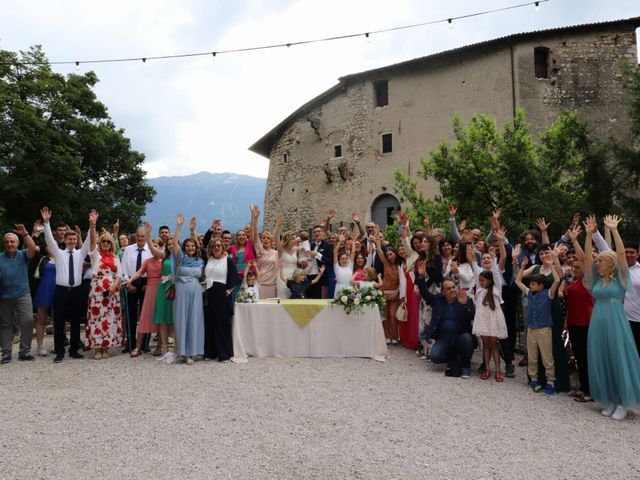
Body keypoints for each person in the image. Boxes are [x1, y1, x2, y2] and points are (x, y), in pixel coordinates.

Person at [583, 214, 640, 420]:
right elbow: (587, 257)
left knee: (618, 359)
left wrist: (614, 230)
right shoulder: (596, 280)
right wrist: (589, 236)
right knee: (601, 358)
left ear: (610, 263)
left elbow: (622, 255)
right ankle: (609, 400)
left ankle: (624, 402)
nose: (597, 262)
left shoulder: (621, 279)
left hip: (616, 322)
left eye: (600, 260)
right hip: (598, 321)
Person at [41, 206, 91, 363]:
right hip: (61, 291)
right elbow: (49, 239)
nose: (72, 241)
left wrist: (92, 225)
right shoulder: (59, 253)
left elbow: (89, 241)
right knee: (59, 321)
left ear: (76, 241)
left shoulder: (80, 253)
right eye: (69, 239)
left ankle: (74, 349)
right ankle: (59, 351)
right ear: (65, 241)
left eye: (74, 239)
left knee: (76, 321)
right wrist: (46, 222)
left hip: (76, 291)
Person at [415, 263, 476, 379]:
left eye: (453, 287)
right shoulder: (437, 300)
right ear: (443, 292)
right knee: (435, 357)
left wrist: (464, 306)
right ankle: (454, 358)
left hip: (460, 337)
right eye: (449, 288)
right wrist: (421, 277)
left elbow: (472, 317)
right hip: (444, 339)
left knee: (467, 339)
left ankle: (465, 365)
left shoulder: (465, 299)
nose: (453, 290)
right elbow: (424, 293)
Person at [515, 254, 560, 395]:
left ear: (541, 285)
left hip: (544, 329)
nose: (530, 285)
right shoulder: (529, 293)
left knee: (547, 356)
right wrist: (522, 267)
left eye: (533, 284)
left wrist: (551, 265)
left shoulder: (548, 294)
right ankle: (533, 379)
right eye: (530, 283)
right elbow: (518, 281)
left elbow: (558, 280)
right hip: (531, 329)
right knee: (532, 356)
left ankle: (550, 381)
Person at [559, 225, 594, 402]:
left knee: (588, 357)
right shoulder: (572, 283)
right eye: (574, 267)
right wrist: (566, 321)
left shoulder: (588, 281)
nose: (575, 268)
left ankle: (590, 390)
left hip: (587, 323)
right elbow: (570, 304)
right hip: (573, 322)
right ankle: (583, 387)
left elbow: (585, 258)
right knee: (579, 356)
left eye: (578, 266)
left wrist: (575, 240)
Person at [84, 211, 123, 360]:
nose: (105, 243)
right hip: (98, 290)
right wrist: (92, 226)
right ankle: (97, 349)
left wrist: (114, 287)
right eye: (103, 242)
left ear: (111, 244)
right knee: (96, 317)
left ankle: (106, 347)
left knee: (109, 318)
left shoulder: (115, 257)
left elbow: (119, 274)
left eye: (108, 242)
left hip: (112, 291)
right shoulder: (96, 256)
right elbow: (92, 242)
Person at [171, 214, 205, 365]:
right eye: (188, 246)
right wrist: (179, 226)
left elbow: (203, 277)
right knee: (182, 319)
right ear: (184, 248)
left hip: (196, 291)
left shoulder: (200, 261)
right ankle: (183, 352)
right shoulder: (180, 258)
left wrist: (193, 231)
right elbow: (174, 243)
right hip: (182, 290)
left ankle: (193, 351)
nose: (190, 248)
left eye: (193, 246)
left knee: (195, 319)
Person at [0, 224, 37, 363]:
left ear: (17, 243)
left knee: (28, 321)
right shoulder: (0, 258)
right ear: (4, 244)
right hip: (4, 296)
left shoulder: (23, 255)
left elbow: (33, 249)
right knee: (5, 325)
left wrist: (25, 234)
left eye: (12, 241)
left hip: (23, 294)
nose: (9, 244)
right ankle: (6, 353)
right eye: (7, 242)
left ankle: (24, 351)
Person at [125, 228, 164, 358]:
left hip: (160, 290)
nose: (154, 250)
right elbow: (139, 272)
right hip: (149, 291)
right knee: (143, 317)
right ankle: (138, 347)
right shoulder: (147, 261)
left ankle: (159, 346)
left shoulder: (165, 261)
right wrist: (130, 280)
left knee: (160, 317)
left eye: (157, 247)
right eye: (153, 247)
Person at [203, 238, 240, 362]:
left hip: (221, 294)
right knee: (209, 323)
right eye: (214, 245)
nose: (216, 247)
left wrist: (229, 291)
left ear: (223, 247)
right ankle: (210, 352)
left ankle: (224, 354)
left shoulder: (227, 260)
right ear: (211, 248)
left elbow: (234, 277)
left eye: (219, 245)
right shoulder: (208, 260)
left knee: (222, 324)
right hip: (208, 293)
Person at [120, 227, 153, 353]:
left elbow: (154, 268)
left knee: (146, 315)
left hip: (146, 283)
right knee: (130, 315)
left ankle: (145, 344)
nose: (140, 238)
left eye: (143, 236)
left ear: (146, 237)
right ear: (136, 236)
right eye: (138, 236)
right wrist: (128, 284)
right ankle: (130, 343)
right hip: (130, 282)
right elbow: (123, 269)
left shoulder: (150, 250)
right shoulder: (128, 250)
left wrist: (149, 284)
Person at [473, 270, 508, 382]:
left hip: (493, 322)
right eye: (479, 280)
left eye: (483, 280)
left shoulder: (496, 291)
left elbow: (497, 275)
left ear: (490, 280)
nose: (481, 282)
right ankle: (487, 369)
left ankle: (498, 370)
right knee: (485, 345)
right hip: (483, 321)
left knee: (494, 345)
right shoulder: (479, 292)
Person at [31, 228, 56, 357]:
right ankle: (40, 346)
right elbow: (32, 247)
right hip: (44, 289)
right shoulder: (42, 258)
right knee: (41, 319)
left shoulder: (61, 258)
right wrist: (35, 234)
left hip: (58, 290)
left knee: (57, 319)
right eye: (49, 245)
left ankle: (58, 344)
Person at [250, 205, 278, 299]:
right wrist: (255, 218)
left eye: (268, 238)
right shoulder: (259, 250)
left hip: (272, 284)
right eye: (264, 238)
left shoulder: (276, 253)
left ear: (271, 241)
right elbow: (254, 233)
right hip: (261, 283)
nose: (265, 240)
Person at [275, 213, 301, 299]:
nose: (295, 239)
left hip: (294, 277)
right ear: (288, 240)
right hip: (283, 276)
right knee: (283, 298)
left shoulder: (296, 249)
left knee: (294, 298)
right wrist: (279, 226)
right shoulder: (281, 250)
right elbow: (276, 239)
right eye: (293, 238)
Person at [623, 241, 640, 355]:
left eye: (632, 252)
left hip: (637, 319)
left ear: (638, 254)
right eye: (626, 252)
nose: (628, 255)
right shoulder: (617, 270)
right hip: (620, 319)